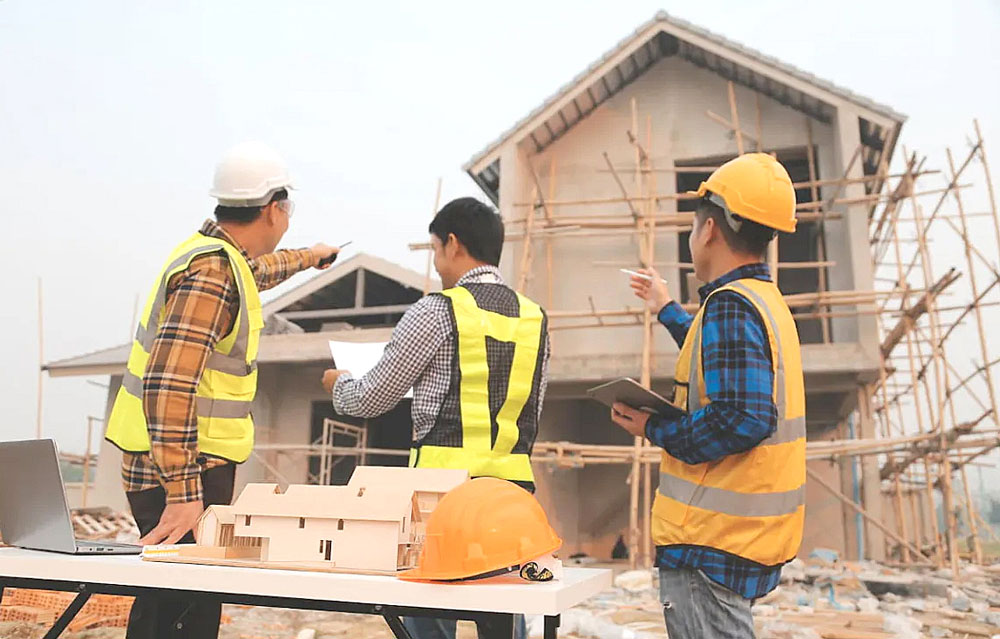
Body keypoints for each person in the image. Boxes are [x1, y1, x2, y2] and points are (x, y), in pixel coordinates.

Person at [105, 141, 341, 639]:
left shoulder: (219, 259)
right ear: (274, 208)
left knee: (174, 605)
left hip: (176, 463)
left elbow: (258, 271)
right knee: (180, 615)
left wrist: (311, 257)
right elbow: (168, 383)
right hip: (182, 471)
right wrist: (183, 494)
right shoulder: (212, 273)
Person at [322, 197, 550, 639]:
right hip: (511, 496)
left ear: (453, 243)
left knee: (430, 614)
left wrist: (339, 385)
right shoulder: (535, 318)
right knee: (505, 611)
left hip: (441, 498)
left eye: (435, 249)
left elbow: (370, 399)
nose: (436, 261)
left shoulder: (437, 310)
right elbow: (532, 410)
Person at [610, 153, 806, 639]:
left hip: (710, 541)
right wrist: (666, 308)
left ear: (710, 230)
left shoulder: (730, 306)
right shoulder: (760, 301)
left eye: (694, 226)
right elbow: (717, 359)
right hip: (741, 537)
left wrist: (654, 427)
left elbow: (742, 417)